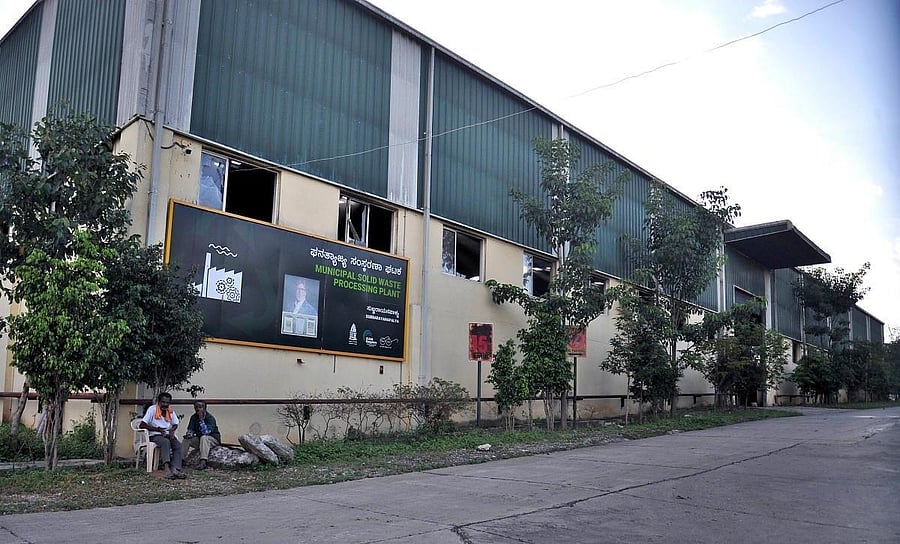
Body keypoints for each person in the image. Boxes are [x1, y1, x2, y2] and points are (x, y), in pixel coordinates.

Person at [140, 392, 185, 479]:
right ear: (159, 402)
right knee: (165, 442)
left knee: (178, 445)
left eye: (167, 403)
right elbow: (142, 425)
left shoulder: (170, 411)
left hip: (167, 434)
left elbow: (175, 423)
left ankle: (175, 469)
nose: (165, 404)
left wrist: (172, 430)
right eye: (163, 402)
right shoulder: (152, 409)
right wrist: (157, 429)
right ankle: (167, 469)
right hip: (155, 435)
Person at [183, 401, 221, 470]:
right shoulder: (193, 417)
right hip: (201, 440)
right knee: (186, 440)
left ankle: (203, 461)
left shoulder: (210, 418)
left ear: (205, 408)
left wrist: (201, 420)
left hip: (212, 439)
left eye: (200, 407)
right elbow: (191, 429)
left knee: (204, 437)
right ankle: (180, 460)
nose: (198, 409)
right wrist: (189, 434)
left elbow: (206, 432)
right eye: (196, 407)